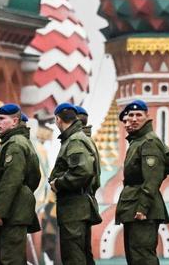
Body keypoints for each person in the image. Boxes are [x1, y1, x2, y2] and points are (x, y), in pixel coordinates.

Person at [115, 100, 169, 264]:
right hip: (134, 205)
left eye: (138, 115)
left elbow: (152, 179)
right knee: (135, 257)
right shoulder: (137, 141)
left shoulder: (148, 142)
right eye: (130, 115)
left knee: (143, 258)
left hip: (143, 209)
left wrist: (142, 207)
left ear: (147, 117)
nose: (133, 118)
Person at [48, 103, 101, 265]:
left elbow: (82, 172)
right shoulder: (78, 138)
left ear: (58, 119)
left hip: (74, 208)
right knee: (81, 255)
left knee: (74, 258)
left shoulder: (75, 140)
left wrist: (58, 183)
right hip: (78, 207)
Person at [0, 103, 41, 265]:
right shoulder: (18, 142)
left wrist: (0, 211)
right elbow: (33, 179)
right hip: (15, 210)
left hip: (12, 213)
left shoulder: (15, 144)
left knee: (10, 260)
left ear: (14, 121)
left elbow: (11, 180)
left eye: (2, 119)